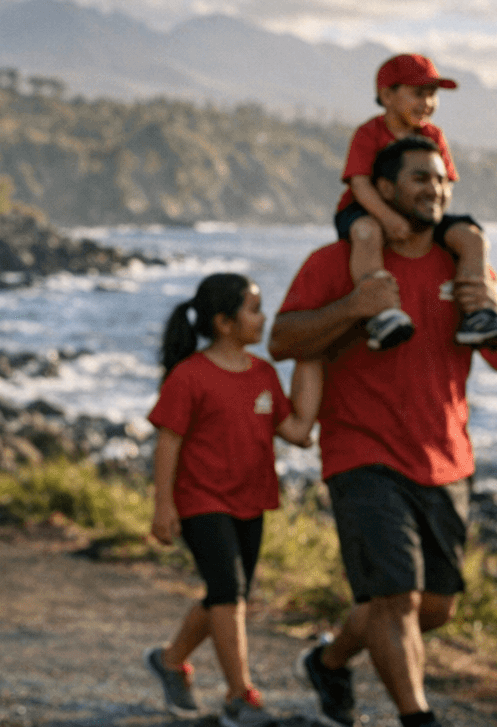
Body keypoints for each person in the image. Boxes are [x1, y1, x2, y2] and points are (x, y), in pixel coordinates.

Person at [269, 136, 497, 727]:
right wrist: (353, 307)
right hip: (361, 454)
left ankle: (330, 662)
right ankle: (417, 717)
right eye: (419, 178)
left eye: (440, 180)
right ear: (383, 189)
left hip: (446, 459)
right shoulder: (334, 262)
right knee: (396, 600)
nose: (434, 190)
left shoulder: (465, 265)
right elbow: (282, 340)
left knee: (434, 608)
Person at [142, 273, 315, 726]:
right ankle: (240, 696)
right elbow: (168, 443)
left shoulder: (264, 374)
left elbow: (298, 431)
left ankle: (170, 660)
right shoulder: (189, 376)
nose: (263, 317)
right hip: (200, 500)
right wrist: (163, 506)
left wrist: (314, 357)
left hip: (251, 502)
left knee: (226, 595)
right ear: (223, 322)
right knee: (228, 594)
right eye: (254, 309)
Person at [334, 53, 497, 352]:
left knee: (472, 238)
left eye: (432, 95)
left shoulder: (434, 135)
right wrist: (388, 218)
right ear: (387, 95)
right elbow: (360, 183)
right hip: (366, 209)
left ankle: (478, 313)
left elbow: (446, 185)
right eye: (418, 94)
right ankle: (381, 313)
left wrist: (429, 222)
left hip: (420, 214)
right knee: (367, 232)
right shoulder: (368, 133)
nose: (427, 103)